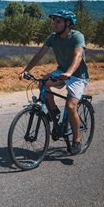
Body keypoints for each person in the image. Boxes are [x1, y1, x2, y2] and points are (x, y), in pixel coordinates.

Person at [19, 10, 89, 155]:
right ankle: (54, 111)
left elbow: (78, 55)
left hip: (77, 76)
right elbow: (39, 54)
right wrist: (26, 70)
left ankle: (77, 139)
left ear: (67, 23)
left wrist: (69, 73)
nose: (55, 24)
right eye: (54, 21)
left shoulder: (77, 36)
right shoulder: (53, 38)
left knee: (70, 106)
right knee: (42, 82)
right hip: (61, 71)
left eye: (58, 21)